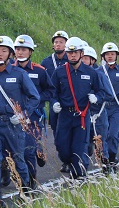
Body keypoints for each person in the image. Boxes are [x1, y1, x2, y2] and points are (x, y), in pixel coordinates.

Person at [0, 36, 40, 197]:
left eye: (3, 51)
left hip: (14, 124)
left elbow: (35, 97)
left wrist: (23, 114)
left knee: (18, 160)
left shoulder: (20, 74)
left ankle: (26, 194)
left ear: (10, 54)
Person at [50, 37, 106, 179]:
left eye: (76, 52)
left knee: (78, 149)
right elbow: (52, 91)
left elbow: (102, 92)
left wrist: (96, 98)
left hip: (82, 116)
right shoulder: (59, 72)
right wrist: (54, 102)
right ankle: (70, 163)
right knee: (62, 147)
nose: (72, 55)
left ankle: (78, 177)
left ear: (81, 53)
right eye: (70, 52)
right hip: (64, 115)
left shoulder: (91, 73)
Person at [13, 34, 55, 187]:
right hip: (14, 117)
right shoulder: (10, 70)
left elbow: (50, 90)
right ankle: (18, 178)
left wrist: (36, 99)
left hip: (33, 117)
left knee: (28, 150)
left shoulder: (40, 70)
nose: (20, 52)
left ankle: (30, 183)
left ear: (30, 52)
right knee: (15, 151)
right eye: (18, 49)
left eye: (24, 49)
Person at [41, 30, 69, 171]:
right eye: (56, 42)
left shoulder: (70, 60)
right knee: (57, 133)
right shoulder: (46, 62)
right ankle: (63, 155)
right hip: (54, 102)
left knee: (69, 131)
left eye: (61, 42)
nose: (58, 44)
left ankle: (70, 161)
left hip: (69, 100)